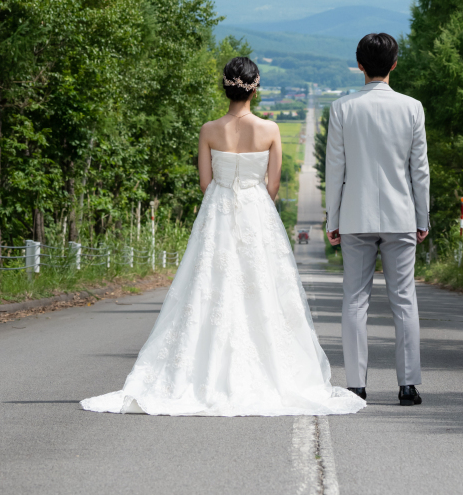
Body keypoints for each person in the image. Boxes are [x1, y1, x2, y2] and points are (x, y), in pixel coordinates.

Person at [81, 57, 365, 417]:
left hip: (217, 210)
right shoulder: (270, 130)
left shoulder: (209, 129)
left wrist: (225, 194)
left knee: (210, 285)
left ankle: (201, 370)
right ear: (255, 88)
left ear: (225, 87)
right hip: (256, 209)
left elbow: (205, 183)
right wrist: (253, 197)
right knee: (262, 287)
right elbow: (273, 186)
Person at [325, 33, 429, 405]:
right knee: (404, 299)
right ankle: (407, 385)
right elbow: (420, 170)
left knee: (355, 300)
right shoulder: (412, 107)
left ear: (360, 65)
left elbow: (335, 168)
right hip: (402, 215)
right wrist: (423, 216)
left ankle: (356, 385)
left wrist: (331, 217)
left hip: (355, 215)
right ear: (395, 64)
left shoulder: (342, 108)